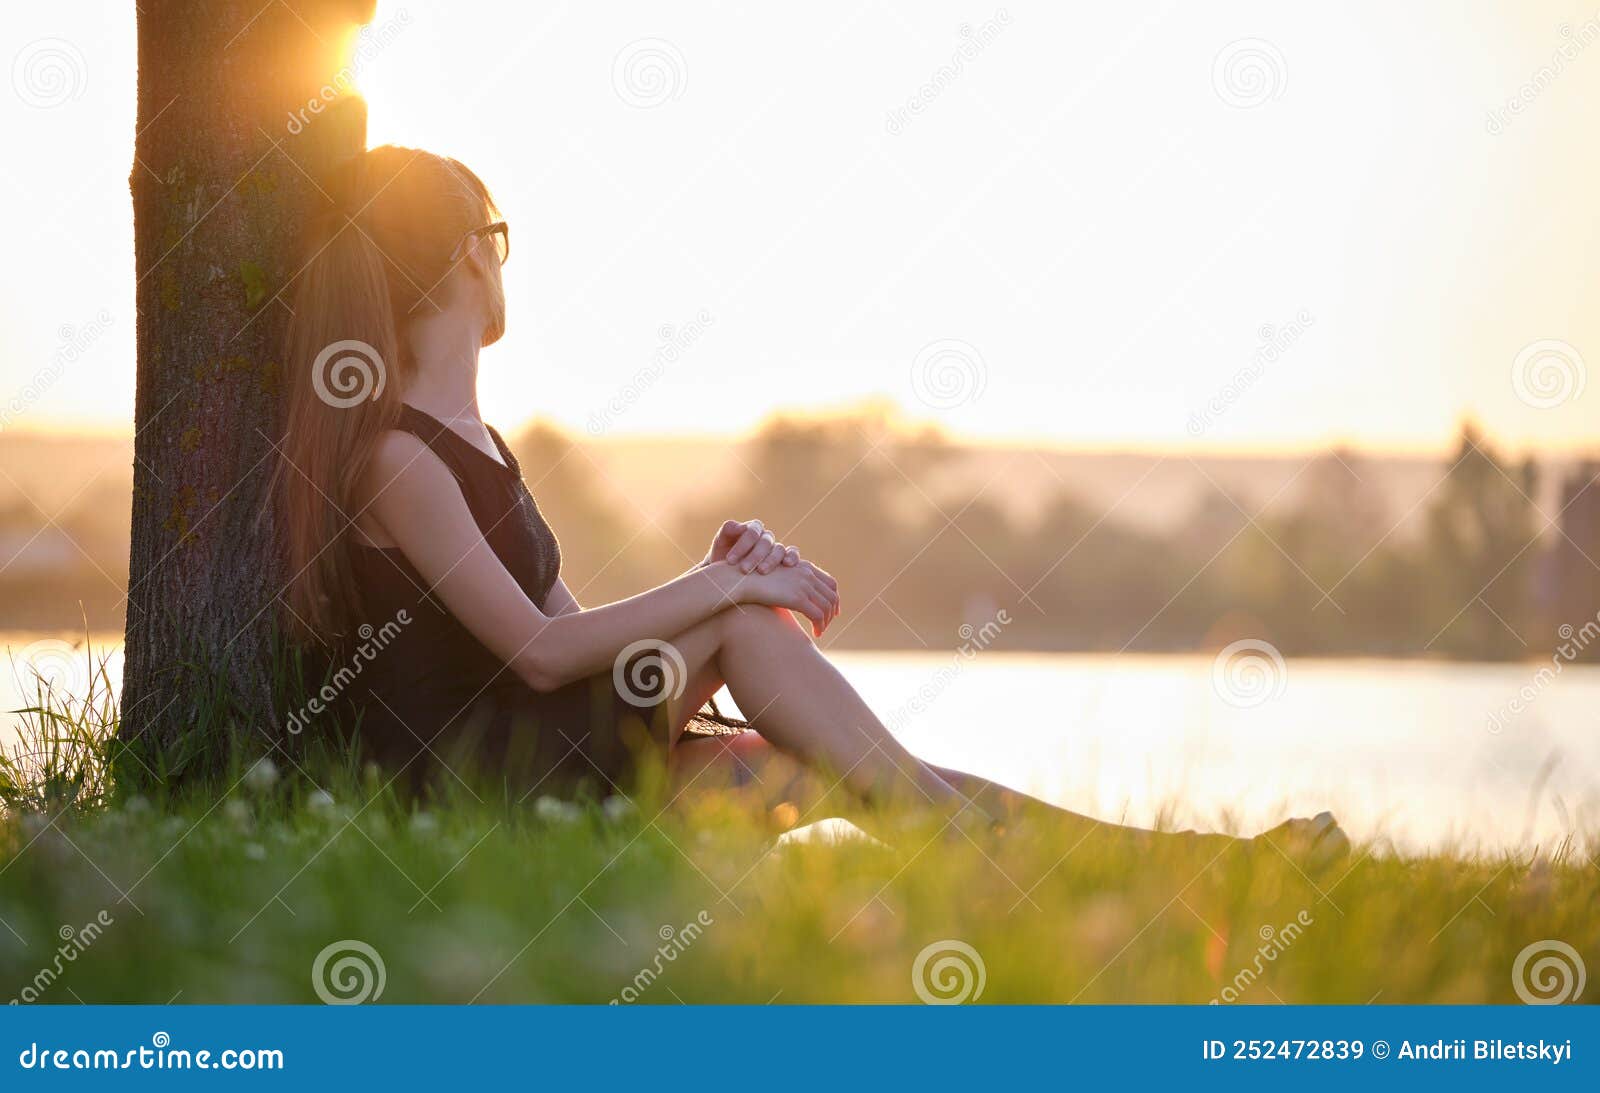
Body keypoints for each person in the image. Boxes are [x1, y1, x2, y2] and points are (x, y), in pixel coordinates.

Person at [275, 145, 1345, 860]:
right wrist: (723, 589)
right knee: (773, 655)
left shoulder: (475, 446)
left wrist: (707, 585)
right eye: (498, 240)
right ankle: (1124, 865)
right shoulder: (400, 462)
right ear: (470, 254)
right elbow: (544, 660)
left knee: (837, 773)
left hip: (549, 757)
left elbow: (573, 635)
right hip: (481, 792)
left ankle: (1147, 869)